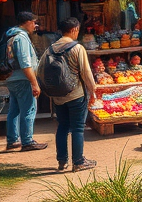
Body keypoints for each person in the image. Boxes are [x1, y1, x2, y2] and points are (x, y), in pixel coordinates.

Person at [37, 17, 96, 172]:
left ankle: (62, 161)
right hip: (76, 94)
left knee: (62, 126)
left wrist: (49, 91)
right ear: (75, 29)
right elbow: (86, 72)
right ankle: (78, 161)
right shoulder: (77, 48)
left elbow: (40, 71)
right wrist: (93, 91)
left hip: (58, 97)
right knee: (77, 128)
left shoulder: (49, 49)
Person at [4, 11, 46, 152]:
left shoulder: (10, 35)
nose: (35, 25)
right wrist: (34, 83)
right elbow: (25, 63)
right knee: (29, 109)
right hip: (22, 79)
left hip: (11, 78)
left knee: (14, 110)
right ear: (27, 22)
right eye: (34, 22)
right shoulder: (21, 38)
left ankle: (12, 140)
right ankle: (27, 141)